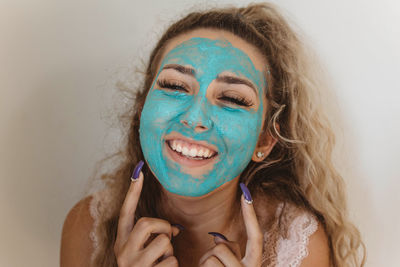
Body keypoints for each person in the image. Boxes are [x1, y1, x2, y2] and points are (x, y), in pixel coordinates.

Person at [60, 3, 365, 267]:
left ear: (265, 140)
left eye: (233, 99)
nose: (195, 118)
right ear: (142, 107)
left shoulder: (298, 243)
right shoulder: (87, 228)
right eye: (175, 87)